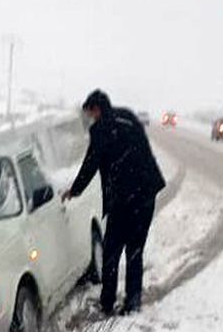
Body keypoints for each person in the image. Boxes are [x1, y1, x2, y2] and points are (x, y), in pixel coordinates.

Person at [62, 89, 165, 315]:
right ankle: (133, 302)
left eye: (90, 113)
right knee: (135, 251)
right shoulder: (127, 116)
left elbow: (91, 163)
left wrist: (74, 190)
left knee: (111, 252)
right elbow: (142, 150)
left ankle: (107, 302)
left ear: (96, 109)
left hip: (123, 199)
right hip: (146, 192)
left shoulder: (101, 129)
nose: (90, 118)